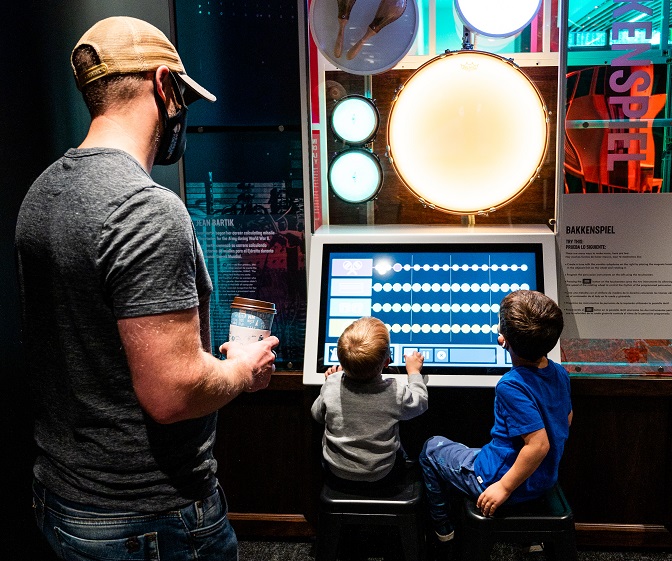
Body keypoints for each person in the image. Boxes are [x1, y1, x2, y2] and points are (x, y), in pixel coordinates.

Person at [15, 16, 279, 561]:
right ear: (165, 86)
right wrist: (242, 369)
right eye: (183, 97)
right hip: (148, 518)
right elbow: (173, 394)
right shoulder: (147, 210)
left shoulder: (42, 191)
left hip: (63, 499)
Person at [419, 290, 573, 542]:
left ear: (503, 340)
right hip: (544, 480)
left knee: (431, 448)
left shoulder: (511, 385)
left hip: (498, 479)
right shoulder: (560, 373)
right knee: (477, 447)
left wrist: (503, 487)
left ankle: (442, 529)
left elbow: (538, 445)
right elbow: (564, 421)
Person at [311, 317, 428, 490]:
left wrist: (329, 383)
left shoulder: (332, 384)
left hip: (337, 473)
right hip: (383, 475)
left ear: (340, 361)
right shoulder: (395, 392)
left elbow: (317, 415)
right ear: (387, 363)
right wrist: (414, 373)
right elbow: (421, 403)